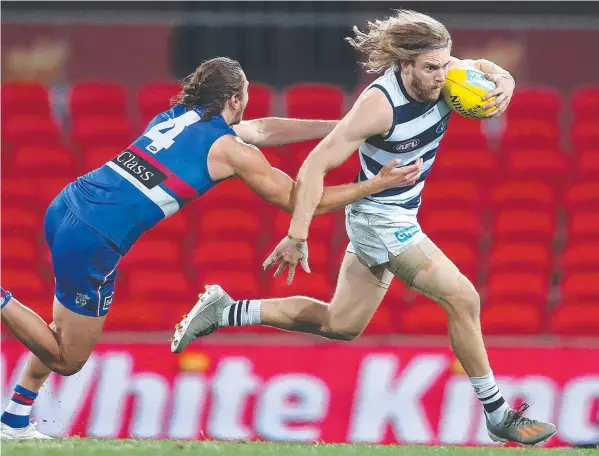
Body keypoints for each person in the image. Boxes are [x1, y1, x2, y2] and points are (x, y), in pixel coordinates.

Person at [172, 12, 557, 446]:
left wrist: (504, 81)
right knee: (463, 297)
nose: (441, 76)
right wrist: (297, 235)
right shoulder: (379, 105)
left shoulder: (446, 73)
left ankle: (225, 311)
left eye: (446, 65)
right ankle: (497, 412)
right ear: (404, 65)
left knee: (341, 324)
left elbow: (485, 69)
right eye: (431, 68)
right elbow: (315, 164)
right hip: (379, 216)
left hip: (399, 213)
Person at [0, 57, 422, 440]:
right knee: (67, 358)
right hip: (94, 239)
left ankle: (14, 420)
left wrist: (341, 128)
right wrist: (377, 184)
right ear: (235, 99)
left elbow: (262, 129)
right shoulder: (229, 151)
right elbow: (303, 200)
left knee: (62, 331)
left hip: (67, 206)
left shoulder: (179, 118)